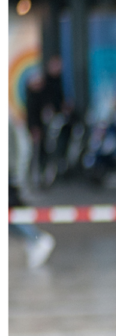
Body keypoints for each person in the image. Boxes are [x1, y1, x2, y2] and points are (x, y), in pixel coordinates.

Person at [9, 114, 55, 268]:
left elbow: (17, 151)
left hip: (9, 177)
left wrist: (15, 177)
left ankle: (36, 238)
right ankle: (34, 239)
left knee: (11, 216)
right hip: (11, 176)